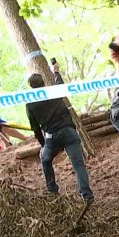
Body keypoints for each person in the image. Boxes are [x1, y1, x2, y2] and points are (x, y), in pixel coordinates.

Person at [26, 73, 94, 203]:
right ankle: (86, 194)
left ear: (31, 86)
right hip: (69, 132)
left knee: (45, 160)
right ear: (43, 82)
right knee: (78, 164)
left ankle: (52, 190)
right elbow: (60, 84)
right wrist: (56, 72)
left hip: (52, 137)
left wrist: (43, 145)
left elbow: (35, 128)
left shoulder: (30, 103)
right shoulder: (54, 92)